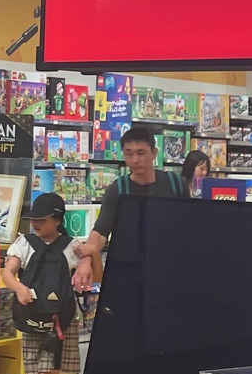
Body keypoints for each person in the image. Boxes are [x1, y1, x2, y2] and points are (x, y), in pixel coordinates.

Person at [4, 192, 80, 374]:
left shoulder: (72, 246)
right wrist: (19, 288)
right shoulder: (24, 243)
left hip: (60, 322)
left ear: (58, 220)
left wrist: (90, 256)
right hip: (32, 318)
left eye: (42, 220)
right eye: (33, 219)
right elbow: (8, 273)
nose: (35, 224)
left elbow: (94, 276)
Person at [74, 124, 188, 292]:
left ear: (154, 153)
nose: (134, 160)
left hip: (171, 270)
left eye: (141, 153)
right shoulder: (117, 190)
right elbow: (100, 231)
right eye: (129, 154)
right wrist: (85, 261)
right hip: (130, 272)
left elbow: (189, 226)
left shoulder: (175, 183)